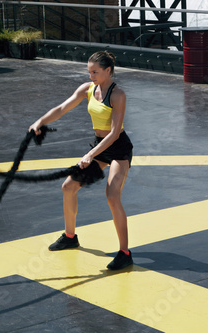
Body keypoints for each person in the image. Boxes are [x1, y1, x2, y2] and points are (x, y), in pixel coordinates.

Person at [28, 51, 134, 270]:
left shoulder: (118, 95)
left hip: (118, 148)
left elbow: (114, 133)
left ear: (108, 70)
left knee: (112, 196)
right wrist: (40, 122)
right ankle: (70, 236)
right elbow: (61, 108)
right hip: (98, 146)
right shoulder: (87, 89)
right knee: (68, 187)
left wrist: (90, 155)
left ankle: (124, 252)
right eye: (89, 72)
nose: (91, 75)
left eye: (95, 72)